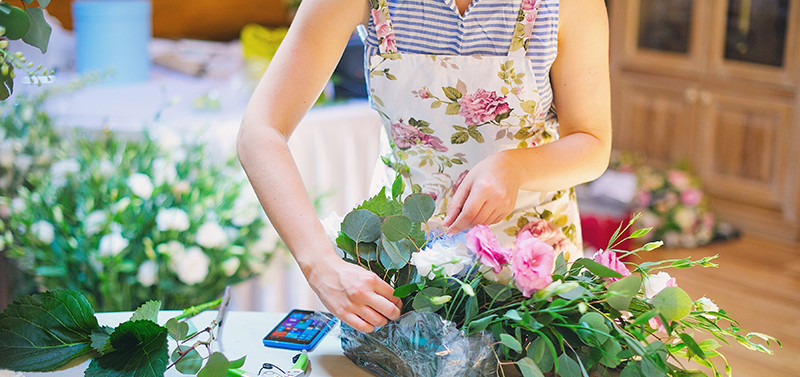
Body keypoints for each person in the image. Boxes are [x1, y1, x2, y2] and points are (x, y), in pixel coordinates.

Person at [237, 0, 611, 334]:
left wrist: (514, 167)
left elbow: (592, 142)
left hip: (530, 270)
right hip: (402, 265)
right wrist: (319, 264)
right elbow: (260, 130)